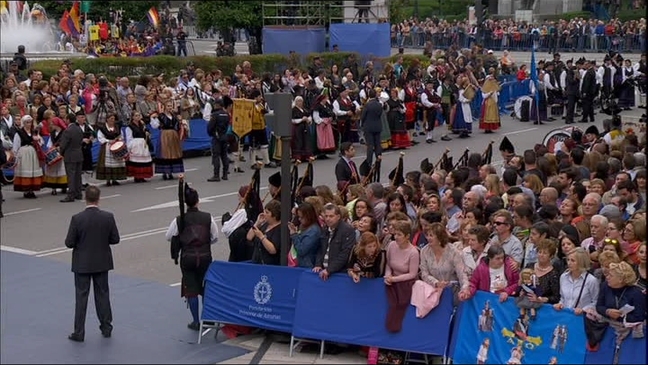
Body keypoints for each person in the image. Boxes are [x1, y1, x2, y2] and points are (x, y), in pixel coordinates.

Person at [64, 185, 120, 342]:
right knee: (102, 295)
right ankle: (106, 327)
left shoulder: (77, 219)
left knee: (81, 298)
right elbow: (115, 239)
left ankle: (79, 332)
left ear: (85, 198)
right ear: (99, 199)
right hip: (102, 262)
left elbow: (69, 243)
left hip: (82, 264)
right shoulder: (108, 217)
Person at [165, 181, 219, 330]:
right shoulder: (208, 217)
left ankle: (196, 321)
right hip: (205, 256)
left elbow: (168, 236)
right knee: (206, 287)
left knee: (191, 289)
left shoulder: (179, 219)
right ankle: (208, 317)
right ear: (198, 201)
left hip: (187, 258)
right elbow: (215, 237)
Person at [58, 113, 84, 202]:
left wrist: (61, 152)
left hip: (70, 155)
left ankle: (71, 195)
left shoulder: (68, 130)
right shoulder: (79, 129)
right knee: (78, 175)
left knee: (71, 176)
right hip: (79, 154)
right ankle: (78, 193)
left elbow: (63, 144)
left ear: (68, 120)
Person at [207, 98, 230, 182]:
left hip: (217, 137)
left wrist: (212, 134)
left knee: (216, 155)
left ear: (217, 105)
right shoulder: (226, 114)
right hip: (224, 136)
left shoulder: (215, 114)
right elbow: (227, 125)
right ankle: (225, 174)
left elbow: (210, 127)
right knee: (224, 155)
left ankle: (216, 175)